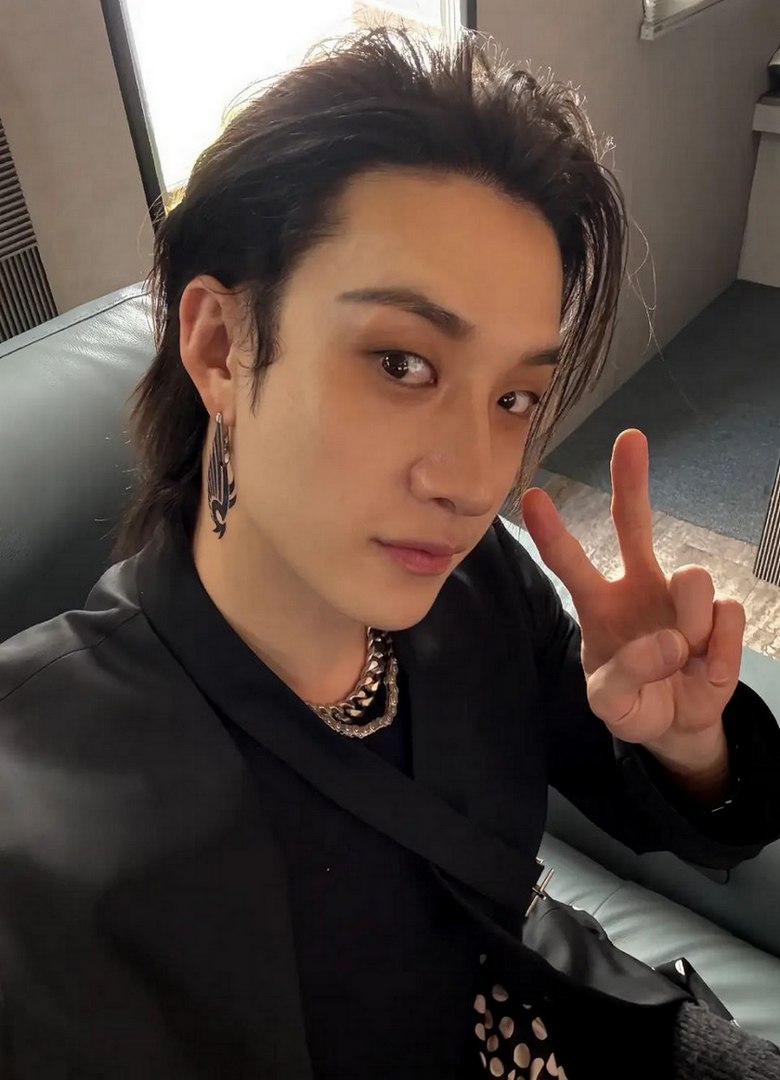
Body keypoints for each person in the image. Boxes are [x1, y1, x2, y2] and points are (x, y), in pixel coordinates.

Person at [0, 22, 778, 1080]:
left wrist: (689, 742)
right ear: (221, 347)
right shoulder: (44, 791)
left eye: (515, 397)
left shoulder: (479, 586)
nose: (473, 479)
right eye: (402, 363)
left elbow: (676, 817)